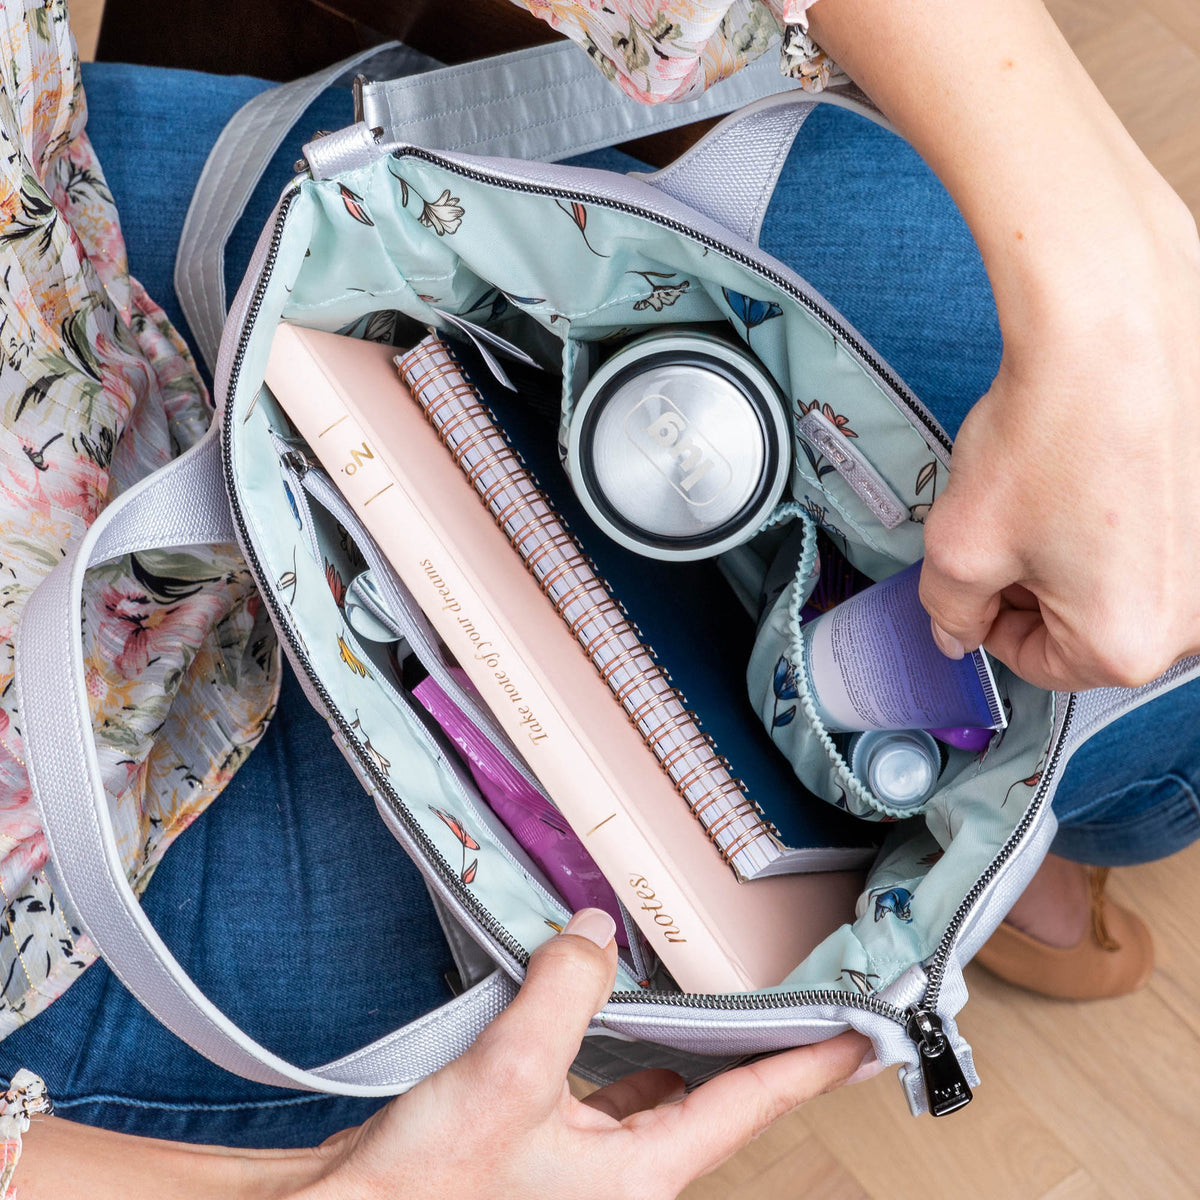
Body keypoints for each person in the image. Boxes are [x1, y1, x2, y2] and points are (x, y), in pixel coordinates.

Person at [0, 0, 1197, 1194]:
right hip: (75, 875)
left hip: (72, 269)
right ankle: (971, 847)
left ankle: (969, 842)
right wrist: (307, 1193)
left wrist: (1120, 293)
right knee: (1143, 709)